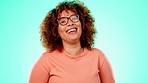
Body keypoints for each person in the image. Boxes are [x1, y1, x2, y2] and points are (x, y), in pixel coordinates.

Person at [29, 0, 115, 83]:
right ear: (55, 31)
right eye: (63, 21)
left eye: (74, 18)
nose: (70, 23)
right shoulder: (46, 60)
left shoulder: (98, 56)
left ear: (83, 23)